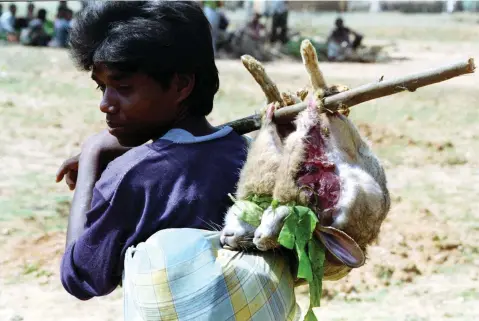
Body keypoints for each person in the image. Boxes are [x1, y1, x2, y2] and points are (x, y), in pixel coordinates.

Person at [56, 0, 249, 303]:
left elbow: (80, 275)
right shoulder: (241, 152)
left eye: (123, 87)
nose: (105, 104)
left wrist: (93, 152)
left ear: (182, 85)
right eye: (101, 87)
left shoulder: (134, 177)